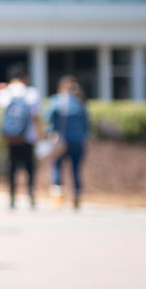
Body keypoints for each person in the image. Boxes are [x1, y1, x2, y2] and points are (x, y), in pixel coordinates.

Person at [0, 63, 42, 209]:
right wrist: (41, 135)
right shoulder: (32, 93)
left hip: (11, 137)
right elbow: (36, 117)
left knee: (12, 167)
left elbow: (1, 115)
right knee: (30, 168)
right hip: (28, 136)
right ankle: (31, 195)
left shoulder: (4, 93)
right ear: (25, 77)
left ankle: (12, 197)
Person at [45, 75, 89, 210]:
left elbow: (47, 118)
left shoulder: (56, 101)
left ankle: (58, 198)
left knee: (57, 167)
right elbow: (86, 125)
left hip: (61, 141)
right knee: (76, 169)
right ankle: (76, 196)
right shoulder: (79, 102)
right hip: (78, 141)